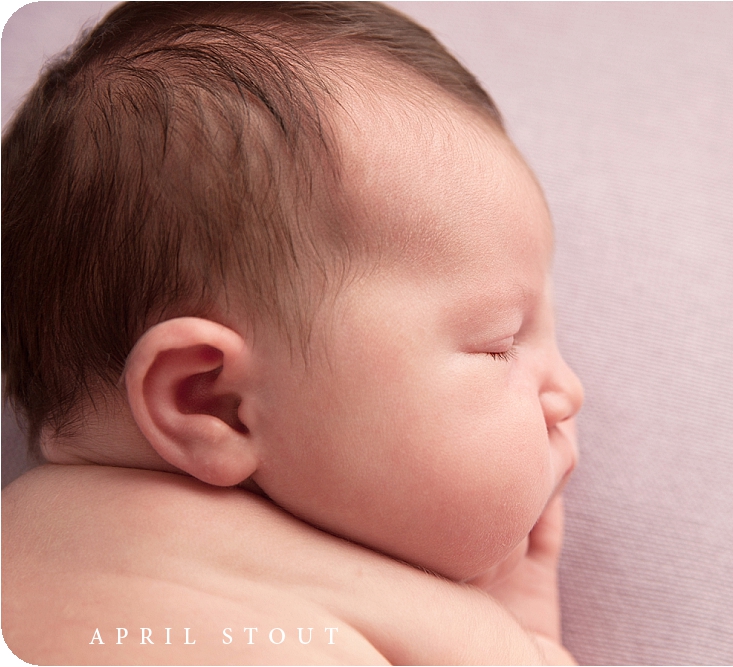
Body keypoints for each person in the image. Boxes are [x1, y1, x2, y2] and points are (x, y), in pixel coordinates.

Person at [0, 2, 584, 664]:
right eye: (501, 342)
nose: (568, 391)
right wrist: (526, 636)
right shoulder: (435, 623)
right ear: (213, 400)